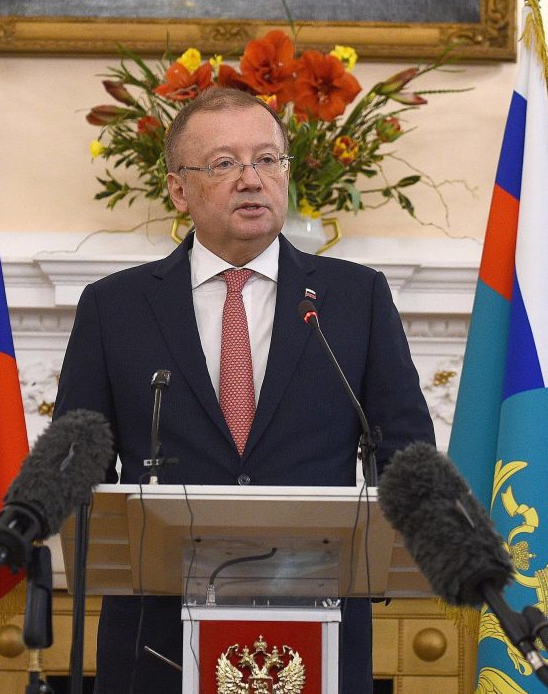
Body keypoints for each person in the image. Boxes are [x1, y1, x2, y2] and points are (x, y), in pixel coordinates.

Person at [53, 87, 434, 693]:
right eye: (225, 164)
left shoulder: (355, 298)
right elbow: (78, 461)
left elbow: (406, 452)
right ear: (179, 190)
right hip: (155, 635)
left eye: (267, 160)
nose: (251, 179)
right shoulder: (114, 307)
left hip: (318, 627)